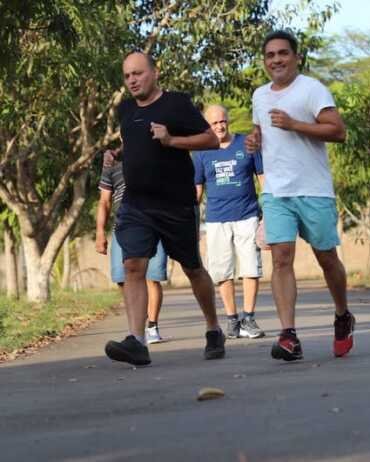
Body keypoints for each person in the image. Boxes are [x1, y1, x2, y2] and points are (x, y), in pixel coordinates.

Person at [104, 51, 224, 366]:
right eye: (127, 75)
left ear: (154, 73)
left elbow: (211, 140)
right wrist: (117, 153)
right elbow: (135, 141)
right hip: (136, 204)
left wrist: (171, 141)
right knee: (133, 266)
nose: (132, 80)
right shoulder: (126, 109)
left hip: (176, 203)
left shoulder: (177, 104)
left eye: (138, 73)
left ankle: (213, 328)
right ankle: (137, 340)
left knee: (192, 269)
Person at [246, 30, 355, 361]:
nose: (276, 60)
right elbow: (260, 131)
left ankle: (342, 314)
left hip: (313, 190)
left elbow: (338, 131)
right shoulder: (259, 96)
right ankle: (288, 335)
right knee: (281, 258)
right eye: (270, 55)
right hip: (277, 191)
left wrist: (295, 124)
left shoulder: (312, 89)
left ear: (296, 57)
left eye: (283, 53)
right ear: (264, 61)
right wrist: (254, 140)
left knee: (326, 258)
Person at [194, 104, 266, 340]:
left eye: (222, 121)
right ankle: (232, 320)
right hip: (216, 219)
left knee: (250, 268)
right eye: (214, 123)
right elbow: (197, 190)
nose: (219, 126)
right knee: (222, 271)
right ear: (207, 125)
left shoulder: (247, 144)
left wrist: (268, 212)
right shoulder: (201, 151)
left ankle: (248, 318)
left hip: (248, 215)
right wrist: (188, 220)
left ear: (228, 120)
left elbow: (263, 178)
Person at [96, 156, 168, 344]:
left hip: (154, 224)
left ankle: (152, 326)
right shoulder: (112, 163)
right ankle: (136, 326)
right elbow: (104, 201)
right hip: (122, 227)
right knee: (122, 278)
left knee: (152, 277)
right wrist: (100, 232)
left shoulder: (153, 154)